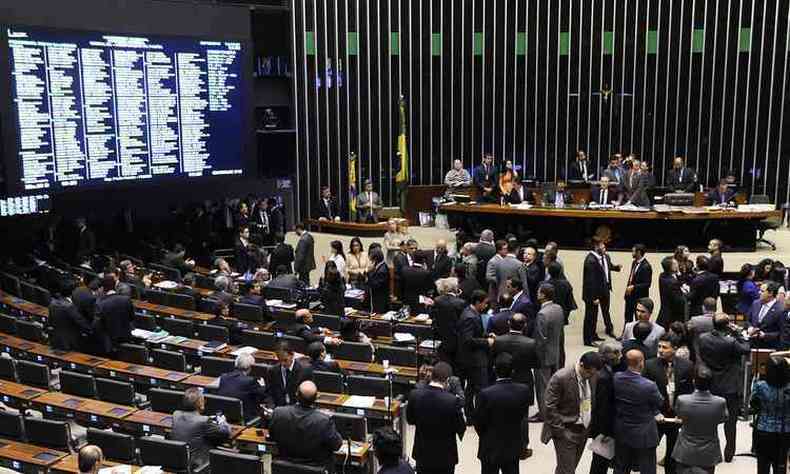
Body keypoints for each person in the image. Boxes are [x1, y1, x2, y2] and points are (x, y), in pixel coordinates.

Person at [697, 313, 751, 462]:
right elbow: (746, 349)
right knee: (730, 422)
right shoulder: (731, 342)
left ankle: (707, 450)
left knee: (709, 421)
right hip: (730, 386)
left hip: (711, 384)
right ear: (727, 325)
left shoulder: (703, 338)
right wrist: (739, 333)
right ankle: (729, 453)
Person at [542, 351, 603, 474]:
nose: (591, 376)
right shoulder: (561, 378)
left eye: (593, 373)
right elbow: (549, 406)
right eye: (589, 373)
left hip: (584, 430)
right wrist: (560, 431)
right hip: (566, 430)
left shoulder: (593, 375)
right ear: (581, 365)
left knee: (567, 468)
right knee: (568, 470)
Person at [643, 335, 694, 474]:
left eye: (664, 347)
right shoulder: (649, 365)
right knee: (648, 452)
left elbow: (689, 392)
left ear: (675, 349)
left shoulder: (687, 366)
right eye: (659, 346)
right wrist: (654, 412)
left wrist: (684, 413)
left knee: (673, 455)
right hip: (656, 417)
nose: (660, 350)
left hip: (676, 417)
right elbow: (645, 395)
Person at [474, 353, 532, 474]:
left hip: (490, 446)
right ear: (513, 371)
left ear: (494, 369)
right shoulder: (523, 390)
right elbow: (522, 416)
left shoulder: (485, 394)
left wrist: (487, 435)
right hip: (512, 446)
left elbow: (478, 423)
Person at [491, 313, 539, 458]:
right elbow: (537, 363)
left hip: (502, 379)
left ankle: (501, 445)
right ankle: (522, 448)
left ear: (508, 323)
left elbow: (492, 360)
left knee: (500, 413)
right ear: (524, 326)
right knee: (523, 416)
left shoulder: (498, 341)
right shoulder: (531, 343)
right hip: (523, 380)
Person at [406, 361, 467, 474]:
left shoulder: (415, 395)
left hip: (422, 454)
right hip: (445, 457)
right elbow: (461, 427)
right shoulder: (453, 401)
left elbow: (410, 420)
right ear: (447, 381)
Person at [269, 380, 343, 471]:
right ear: (316, 398)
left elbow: (272, 436)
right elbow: (337, 445)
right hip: (315, 469)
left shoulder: (278, 413)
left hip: (284, 468)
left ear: (296, 394)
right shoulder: (323, 421)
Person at [612, 349, 663, 474]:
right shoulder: (649, 385)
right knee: (647, 468)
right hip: (644, 434)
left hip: (623, 430)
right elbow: (659, 402)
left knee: (621, 467)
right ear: (641, 362)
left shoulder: (616, 378)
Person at [671, 367, 729, 474]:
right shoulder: (720, 402)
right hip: (709, 451)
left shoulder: (682, 400)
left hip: (685, 450)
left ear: (694, 381)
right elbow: (723, 419)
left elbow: (679, 415)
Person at [171, 387, 231, 469]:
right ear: (200, 403)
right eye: (203, 400)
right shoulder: (204, 420)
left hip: (179, 460)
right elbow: (225, 433)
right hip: (198, 463)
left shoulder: (176, 414)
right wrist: (222, 421)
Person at [457, 290, 494, 420]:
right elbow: (468, 340)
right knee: (479, 389)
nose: (486, 306)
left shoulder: (472, 312)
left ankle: (471, 415)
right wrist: (486, 342)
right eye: (484, 303)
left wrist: (486, 335)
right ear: (478, 302)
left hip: (474, 358)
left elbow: (475, 334)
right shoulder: (469, 316)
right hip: (474, 360)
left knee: (471, 388)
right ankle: (478, 416)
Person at [750, 356, 790, 474]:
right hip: (785, 431)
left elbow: (753, 405)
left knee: (763, 465)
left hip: (764, 429)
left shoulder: (760, 386)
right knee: (781, 465)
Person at [533, 283, 565, 423]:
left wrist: (536, 358)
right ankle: (554, 409)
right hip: (555, 352)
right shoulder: (558, 308)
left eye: (539, 292)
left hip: (543, 356)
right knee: (554, 385)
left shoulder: (542, 314)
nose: (537, 293)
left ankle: (544, 414)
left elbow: (540, 339)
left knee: (543, 386)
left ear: (543, 295)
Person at [589, 341, 622, 474]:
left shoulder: (598, 369)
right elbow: (603, 407)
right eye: (618, 353)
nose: (621, 356)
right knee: (600, 461)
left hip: (599, 424)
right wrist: (606, 432)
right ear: (610, 355)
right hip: (603, 427)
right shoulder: (605, 377)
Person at [582, 239, 621, 345]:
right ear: (596, 247)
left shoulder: (602, 257)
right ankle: (588, 340)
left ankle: (594, 335)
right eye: (603, 247)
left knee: (600, 313)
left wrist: (616, 268)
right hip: (593, 294)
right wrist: (594, 297)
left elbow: (607, 268)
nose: (605, 249)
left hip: (604, 290)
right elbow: (590, 281)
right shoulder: (591, 261)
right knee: (590, 316)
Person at [216, 353, 267, 422]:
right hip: (247, 419)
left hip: (226, 417)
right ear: (250, 367)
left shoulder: (223, 377)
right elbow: (263, 397)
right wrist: (263, 385)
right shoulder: (250, 381)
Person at [93, 273, 135, 355]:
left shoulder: (100, 304)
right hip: (126, 337)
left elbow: (96, 325)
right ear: (115, 285)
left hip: (109, 343)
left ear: (102, 288)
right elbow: (131, 318)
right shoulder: (126, 300)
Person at [265, 341, 314, 407]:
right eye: (280, 360)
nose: (282, 364)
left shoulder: (305, 370)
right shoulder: (272, 371)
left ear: (292, 355)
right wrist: (271, 407)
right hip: (278, 409)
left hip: (297, 409)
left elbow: (309, 394)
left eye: (285, 360)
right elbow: (269, 393)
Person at [49, 278, 92, 352]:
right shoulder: (69, 307)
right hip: (69, 343)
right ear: (72, 292)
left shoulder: (52, 304)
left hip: (56, 341)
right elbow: (80, 322)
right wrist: (91, 330)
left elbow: (50, 321)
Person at [431, 277, 466, 367]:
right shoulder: (461, 302)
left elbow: (433, 317)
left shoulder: (437, 300)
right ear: (455, 288)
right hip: (456, 340)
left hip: (441, 338)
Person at [748, 281, 783, 349]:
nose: (759, 292)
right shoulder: (756, 303)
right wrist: (750, 328)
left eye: (762, 291)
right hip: (752, 345)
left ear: (770, 293)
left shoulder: (780, 310)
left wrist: (765, 335)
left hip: (769, 347)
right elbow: (748, 320)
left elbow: (782, 332)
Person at [623, 244, 653, 326]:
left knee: (638, 319)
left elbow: (647, 284)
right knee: (627, 317)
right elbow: (631, 278)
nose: (631, 253)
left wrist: (633, 287)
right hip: (630, 296)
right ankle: (625, 334)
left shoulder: (646, 266)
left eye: (633, 251)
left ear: (638, 252)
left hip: (639, 298)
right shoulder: (634, 262)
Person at [657, 256, 687, 328]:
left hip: (664, 310)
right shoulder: (672, 282)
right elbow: (679, 301)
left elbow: (677, 282)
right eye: (675, 264)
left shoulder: (662, 276)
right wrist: (686, 294)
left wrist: (679, 273)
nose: (678, 265)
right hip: (672, 315)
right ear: (671, 267)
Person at [366, 247, 390, 313]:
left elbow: (375, 285)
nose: (369, 259)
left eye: (370, 256)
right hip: (378, 299)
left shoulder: (382, 270)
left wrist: (369, 272)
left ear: (375, 258)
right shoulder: (380, 266)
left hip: (380, 301)